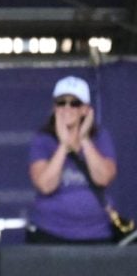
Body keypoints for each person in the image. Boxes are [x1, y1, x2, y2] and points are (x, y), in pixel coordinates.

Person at [27, 75, 119, 243]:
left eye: (75, 103)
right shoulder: (43, 139)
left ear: (85, 110)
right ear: (54, 107)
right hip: (50, 233)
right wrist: (63, 145)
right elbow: (45, 185)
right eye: (61, 102)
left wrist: (84, 139)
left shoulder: (100, 138)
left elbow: (104, 178)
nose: (67, 108)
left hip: (96, 234)